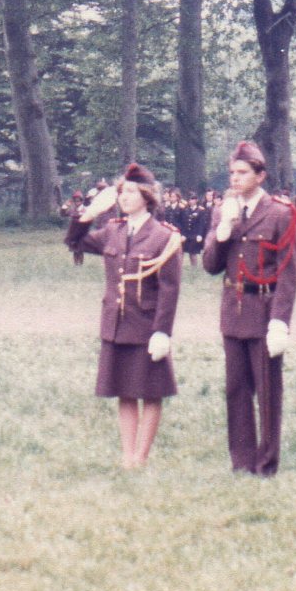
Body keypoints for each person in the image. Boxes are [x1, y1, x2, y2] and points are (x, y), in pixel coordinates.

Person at [65, 164, 182, 469]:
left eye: (131, 191)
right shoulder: (113, 231)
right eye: (121, 192)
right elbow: (74, 242)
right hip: (116, 324)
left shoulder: (164, 237)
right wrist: (88, 214)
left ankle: (141, 457)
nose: (124, 197)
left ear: (147, 196)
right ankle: (128, 456)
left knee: (151, 393)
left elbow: (169, 290)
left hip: (146, 325)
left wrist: (162, 332)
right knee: (124, 391)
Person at [202, 141, 296, 477]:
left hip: (263, 309)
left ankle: (266, 462)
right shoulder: (222, 212)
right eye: (232, 172)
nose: (235, 178)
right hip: (234, 309)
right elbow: (210, 265)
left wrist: (280, 322)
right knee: (236, 389)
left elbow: (288, 273)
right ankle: (242, 461)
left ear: (260, 176)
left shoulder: (280, 213)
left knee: (268, 391)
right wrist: (223, 232)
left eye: (242, 172)